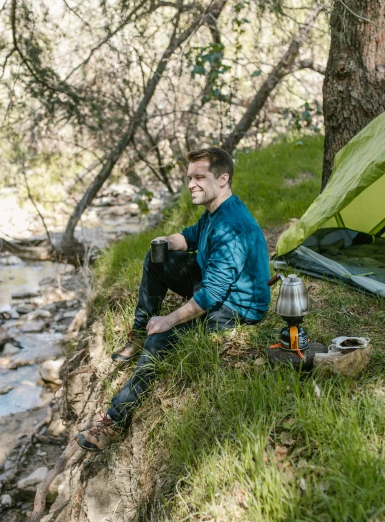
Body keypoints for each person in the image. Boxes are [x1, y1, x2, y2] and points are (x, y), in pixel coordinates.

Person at [75, 147, 271, 452]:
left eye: (199, 177)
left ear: (223, 178)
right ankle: (138, 333)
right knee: (156, 260)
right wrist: (165, 242)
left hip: (236, 306)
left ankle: (113, 422)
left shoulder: (232, 226)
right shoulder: (214, 211)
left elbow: (213, 295)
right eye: (189, 177)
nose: (191, 184)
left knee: (162, 338)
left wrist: (169, 319)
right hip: (212, 284)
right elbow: (190, 237)